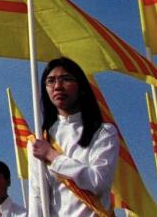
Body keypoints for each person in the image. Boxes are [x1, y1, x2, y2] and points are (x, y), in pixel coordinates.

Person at [29, 57, 120, 217]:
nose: (57, 86)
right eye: (50, 81)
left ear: (81, 87)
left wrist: (52, 156)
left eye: (65, 79)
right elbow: (37, 196)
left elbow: (97, 182)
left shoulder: (104, 132)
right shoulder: (41, 140)